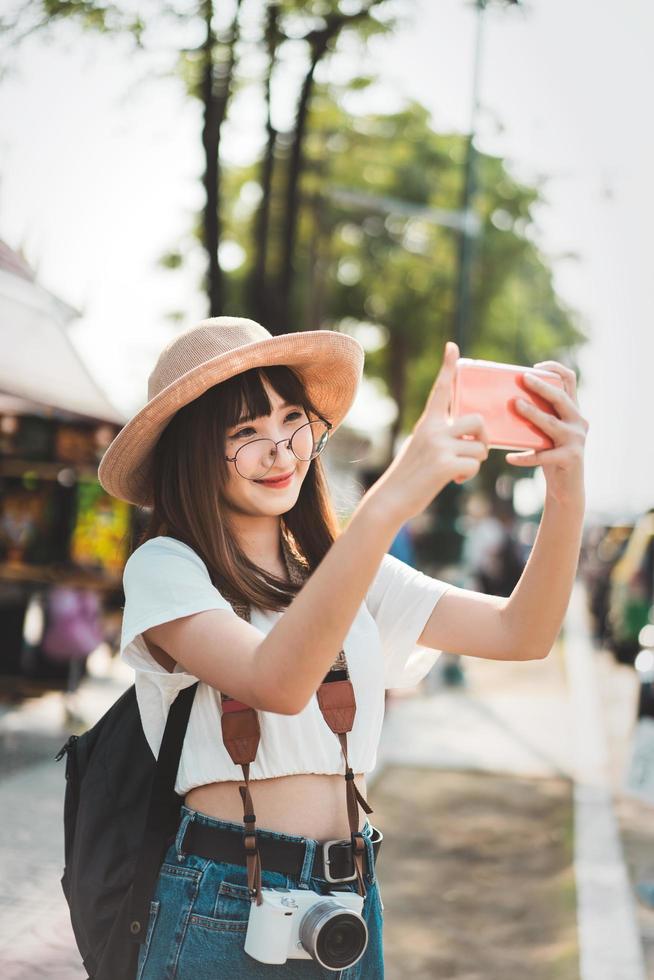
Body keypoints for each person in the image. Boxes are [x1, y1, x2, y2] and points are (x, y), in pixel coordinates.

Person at [98, 317, 589, 978]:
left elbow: (521, 633)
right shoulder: (166, 568)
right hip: (223, 900)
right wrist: (391, 500)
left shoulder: (342, 572)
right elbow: (273, 681)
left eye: (290, 419)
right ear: (191, 454)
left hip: (348, 901)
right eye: (244, 433)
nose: (280, 451)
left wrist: (565, 488)